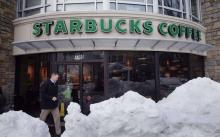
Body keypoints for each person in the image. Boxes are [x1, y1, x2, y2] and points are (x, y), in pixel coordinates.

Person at [39, 73, 61, 137]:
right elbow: (43, 94)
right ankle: (39, 131)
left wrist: (57, 100)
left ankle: (58, 133)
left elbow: (56, 94)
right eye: (56, 78)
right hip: (46, 106)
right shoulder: (45, 83)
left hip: (54, 106)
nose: (57, 79)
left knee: (57, 119)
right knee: (42, 119)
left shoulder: (55, 84)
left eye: (57, 78)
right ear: (53, 76)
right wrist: (51, 98)